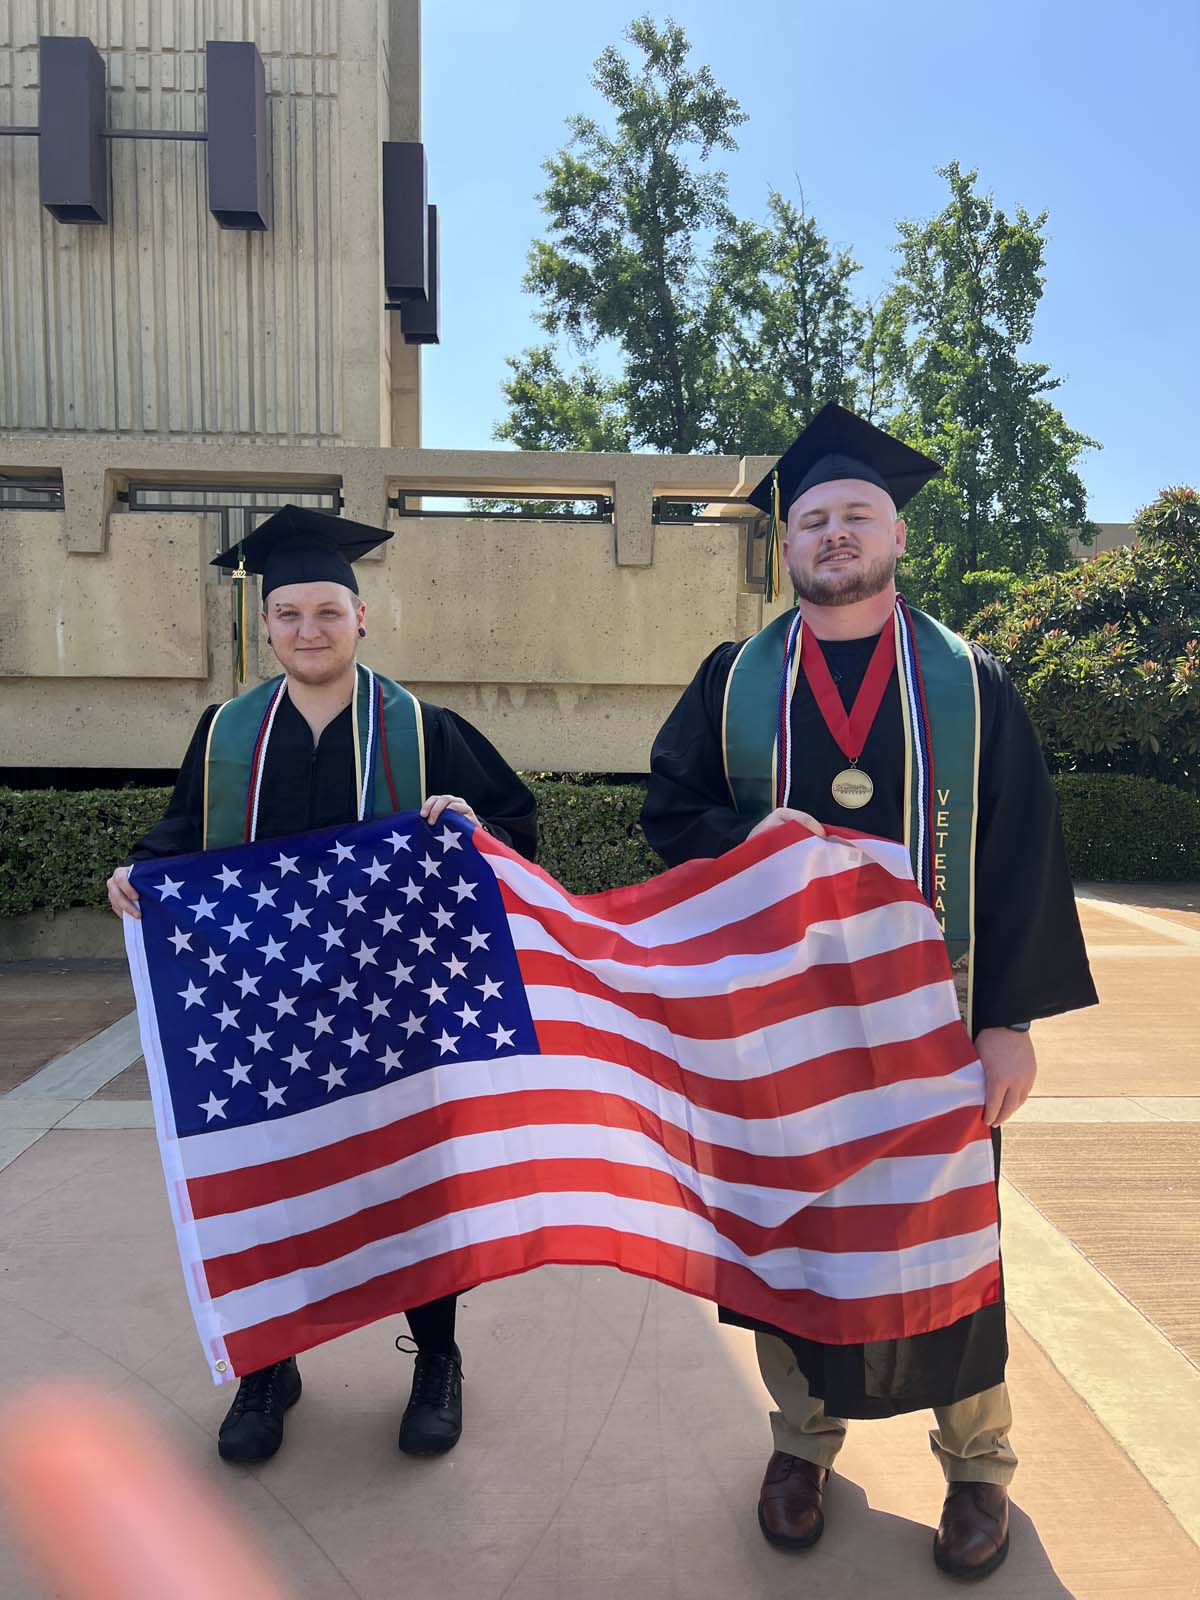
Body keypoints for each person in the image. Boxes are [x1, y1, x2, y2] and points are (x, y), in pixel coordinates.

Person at [640, 405, 1097, 1581]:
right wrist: (760, 838)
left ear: (895, 532)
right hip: (785, 1037)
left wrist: (1009, 1022)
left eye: (855, 516)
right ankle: (803, 1443)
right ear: (785, 545)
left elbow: (1023, 847)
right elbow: (671, 815)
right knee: (795, 1235)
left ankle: (977, 1465)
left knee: (949, 1236)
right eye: (812, 520)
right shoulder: (736, 681)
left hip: (936, 1027)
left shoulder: (971, 682)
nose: (833, 535)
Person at [107, 505, 537, 1468]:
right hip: (262, 1016)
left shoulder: (423, 729)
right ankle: (270, 1364)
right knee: (270, 1187)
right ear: (266, 626)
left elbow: (512, 828)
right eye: (290, 613)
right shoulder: (225, 733)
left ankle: (436, 1357)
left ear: (363, 616)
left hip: (396, 1013)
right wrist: (139, 872)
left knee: (414, 1183)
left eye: (328, 611)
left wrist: (469, 821)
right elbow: (180, 839)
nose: (310, 629)